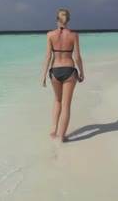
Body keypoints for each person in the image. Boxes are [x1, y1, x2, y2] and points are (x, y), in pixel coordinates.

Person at [41, 8, 85, 142]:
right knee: (66, 104)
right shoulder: (74, 35)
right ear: (68, 20)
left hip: (55, 71)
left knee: (57, 100)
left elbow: (48, 56)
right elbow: (77, 57)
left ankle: (54, 129)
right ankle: (62, 136)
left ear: (56, 19)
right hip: (69, 70)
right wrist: (82, 72)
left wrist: (43, 76)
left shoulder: (50, 35)